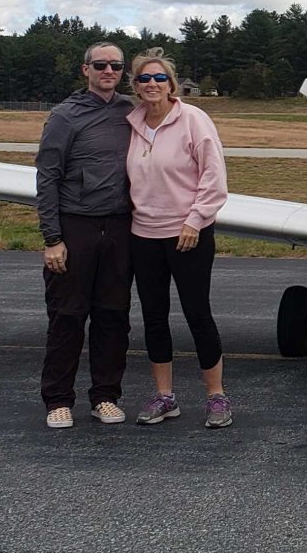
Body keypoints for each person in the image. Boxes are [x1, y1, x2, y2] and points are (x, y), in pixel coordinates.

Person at [124, 48, 233, 428]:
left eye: (159, 78)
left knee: (196, 312)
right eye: (144, 79)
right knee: (153, 316)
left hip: (188, 233)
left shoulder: (194, 121)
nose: (151, 85)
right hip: (143, 234)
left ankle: (216, 397)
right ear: (135, 86)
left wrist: (195, 220)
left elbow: (213, 177)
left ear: (171, 84)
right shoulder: (132, 122)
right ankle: (164, 396)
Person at [34, 41, 136, 428]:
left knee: (113, 315)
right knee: (67, 315)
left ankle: (106, 396)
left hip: (121, 226)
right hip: (76, 225)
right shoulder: (65, 116)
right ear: (86, 70)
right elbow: (48, 177)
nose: (108, 72)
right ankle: (58, 400)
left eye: (116, 66)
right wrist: (52, 238)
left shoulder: (132, 111)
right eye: (101, 65)